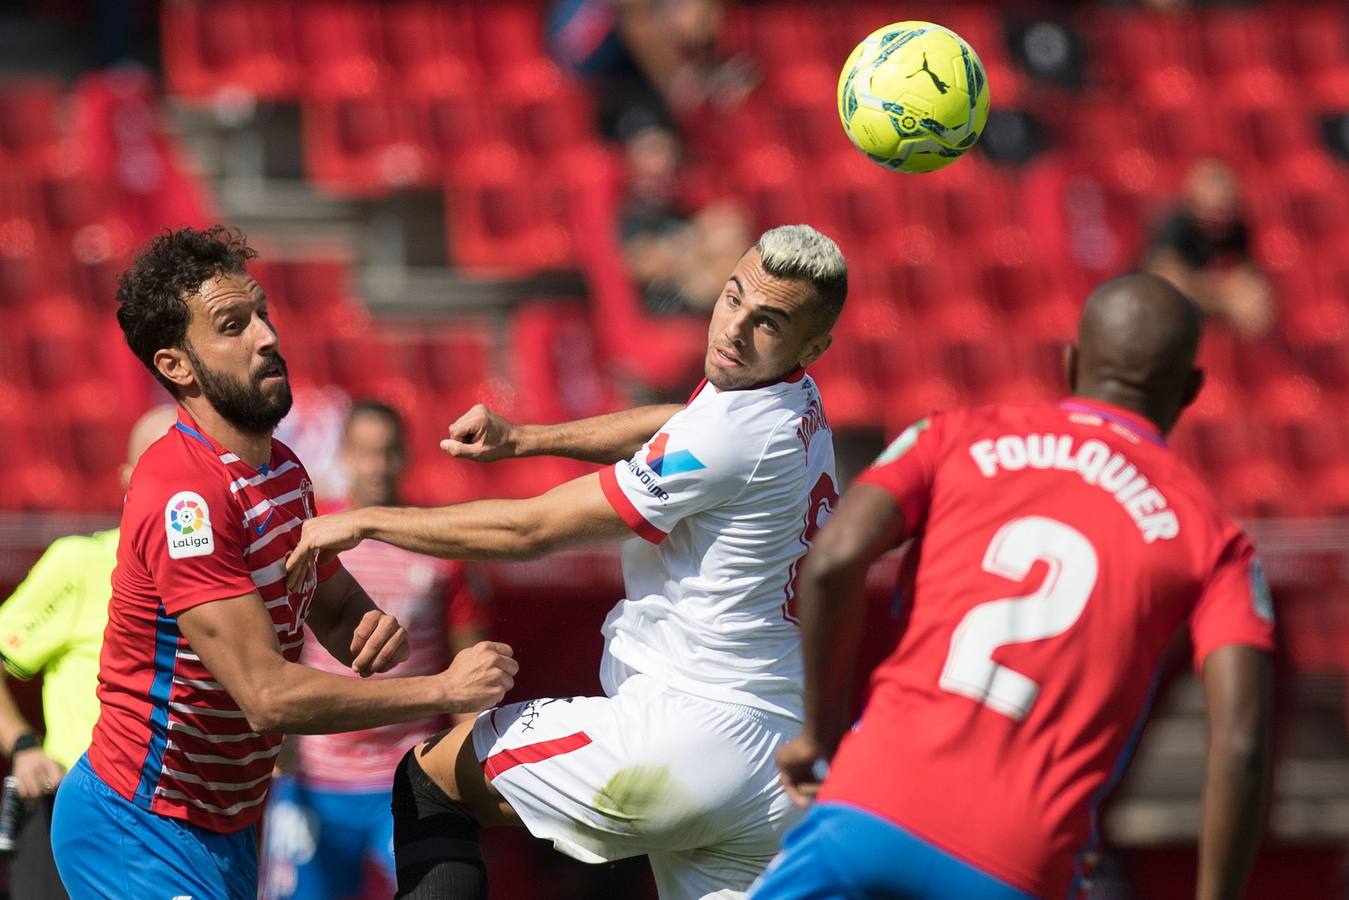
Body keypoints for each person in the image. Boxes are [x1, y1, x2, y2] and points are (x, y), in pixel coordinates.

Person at [285, 224, 848, 899]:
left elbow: (530, 530)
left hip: (683, 735)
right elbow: (676, 422)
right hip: (773, 770)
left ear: (813, 344)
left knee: (429, 784)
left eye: (768, 322)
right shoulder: (793, 400)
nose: (734, 329)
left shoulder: (728, 435)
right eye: (732, 300)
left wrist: (369, 521)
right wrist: (525, 438)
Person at [752, 273, 1275, 900]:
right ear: (1191, 390)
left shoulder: (953, 436)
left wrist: (821, 733)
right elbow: (1242, 744)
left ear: (1072, 362)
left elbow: (834, 559)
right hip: (1022, 862)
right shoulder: (1214, 539)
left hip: (868, 808)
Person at [49, 226, 518, 900]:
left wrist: (359, 622)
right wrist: (439, 690)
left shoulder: (282, 469)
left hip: (227, 823)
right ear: (177, 366)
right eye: (232, 326)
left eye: (262, 313)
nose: (267, 337)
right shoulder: (186, 496)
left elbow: (323, 595)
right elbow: (267, 696)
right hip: (139, 824)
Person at [261, 400, 489, 900]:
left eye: (388, 453)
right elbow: (279, 648)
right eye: (366, 453)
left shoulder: (439, 544)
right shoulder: (313, 539)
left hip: (412, 778)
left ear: (406, 456)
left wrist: (476, 766)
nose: (378, 465)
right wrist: (281, 741)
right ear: (344, 454)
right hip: (314, 779)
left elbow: (466, 670)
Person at [0, 404, 177, 900]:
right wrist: (22, 746)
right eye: (155, 464)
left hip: (173, 825)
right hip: (71, 810)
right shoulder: (79, 563)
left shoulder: (223, 584)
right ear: (127, 478)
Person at [1144, 158, 1274, 339]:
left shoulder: (1238, 230)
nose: (1219, 196)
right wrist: (1221, 299)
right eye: (1211, 186)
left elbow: (1249, 283)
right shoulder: (1176, 226)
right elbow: (1167, 287)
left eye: (1225, 188)